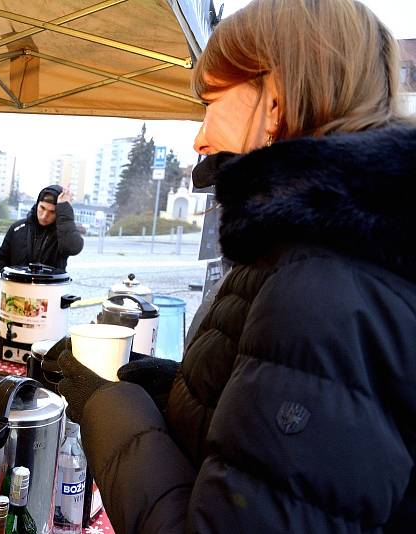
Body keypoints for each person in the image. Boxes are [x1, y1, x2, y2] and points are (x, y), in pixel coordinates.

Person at [47, 1, 416, 532]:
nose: (199, 136)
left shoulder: (320, 281)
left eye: (213, 101)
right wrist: (180, 395)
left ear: (277, 100)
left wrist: (107, 407)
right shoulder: (309, 246)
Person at [0, 184, 83, 279]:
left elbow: (73, 248)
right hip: (16, 290)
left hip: (49, 291)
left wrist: (65, 210)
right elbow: (2, 260)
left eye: (52, 212)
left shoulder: (62, 232)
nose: (45, 215)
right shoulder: (18, 228)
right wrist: (3, 286)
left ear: (58, 212)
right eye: (42, 208)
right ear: (37, 204)